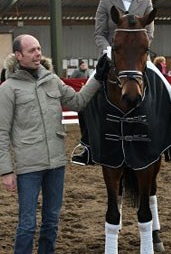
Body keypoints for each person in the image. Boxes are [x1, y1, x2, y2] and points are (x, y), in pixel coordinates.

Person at [0, 34, 110, 254]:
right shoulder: (8, 88)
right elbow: (1, 133)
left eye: (39, 49)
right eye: (32, 50)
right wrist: (6, 171)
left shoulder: (52, 80)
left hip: (56, 164)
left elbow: (78, 102)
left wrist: (97, 77)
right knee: (27, 224)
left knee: (51, 221)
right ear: (18, 55)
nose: (38, 53)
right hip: (28, 167)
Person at [74, 0, 171, 166]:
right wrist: (108, 51)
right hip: (112, 56)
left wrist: (138, 51)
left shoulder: (146, 3)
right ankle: (86, 146)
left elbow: (149, 34)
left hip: (137, 57)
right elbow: (99, 33)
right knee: (84, 97)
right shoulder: (106, 3)